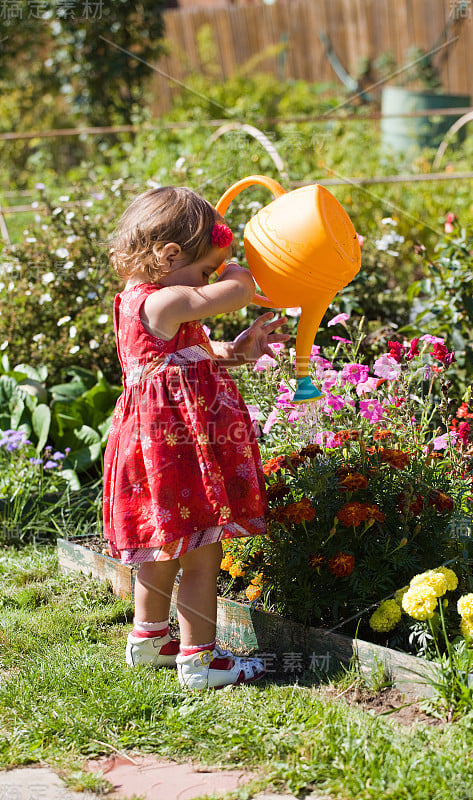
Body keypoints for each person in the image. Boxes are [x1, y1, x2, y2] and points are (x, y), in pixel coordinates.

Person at [103, 186, 289, 690]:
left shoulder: (149, 305)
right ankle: (200, 662)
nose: (212, 281)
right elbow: (234, 293)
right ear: (169, 257)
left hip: (157, 447)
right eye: (206, 270)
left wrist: (240, 348)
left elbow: (192, 353)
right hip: (176, 449)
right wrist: (242, 269)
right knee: (201, 554)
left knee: (162, 547)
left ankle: (150, 641)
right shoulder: (163, 300)